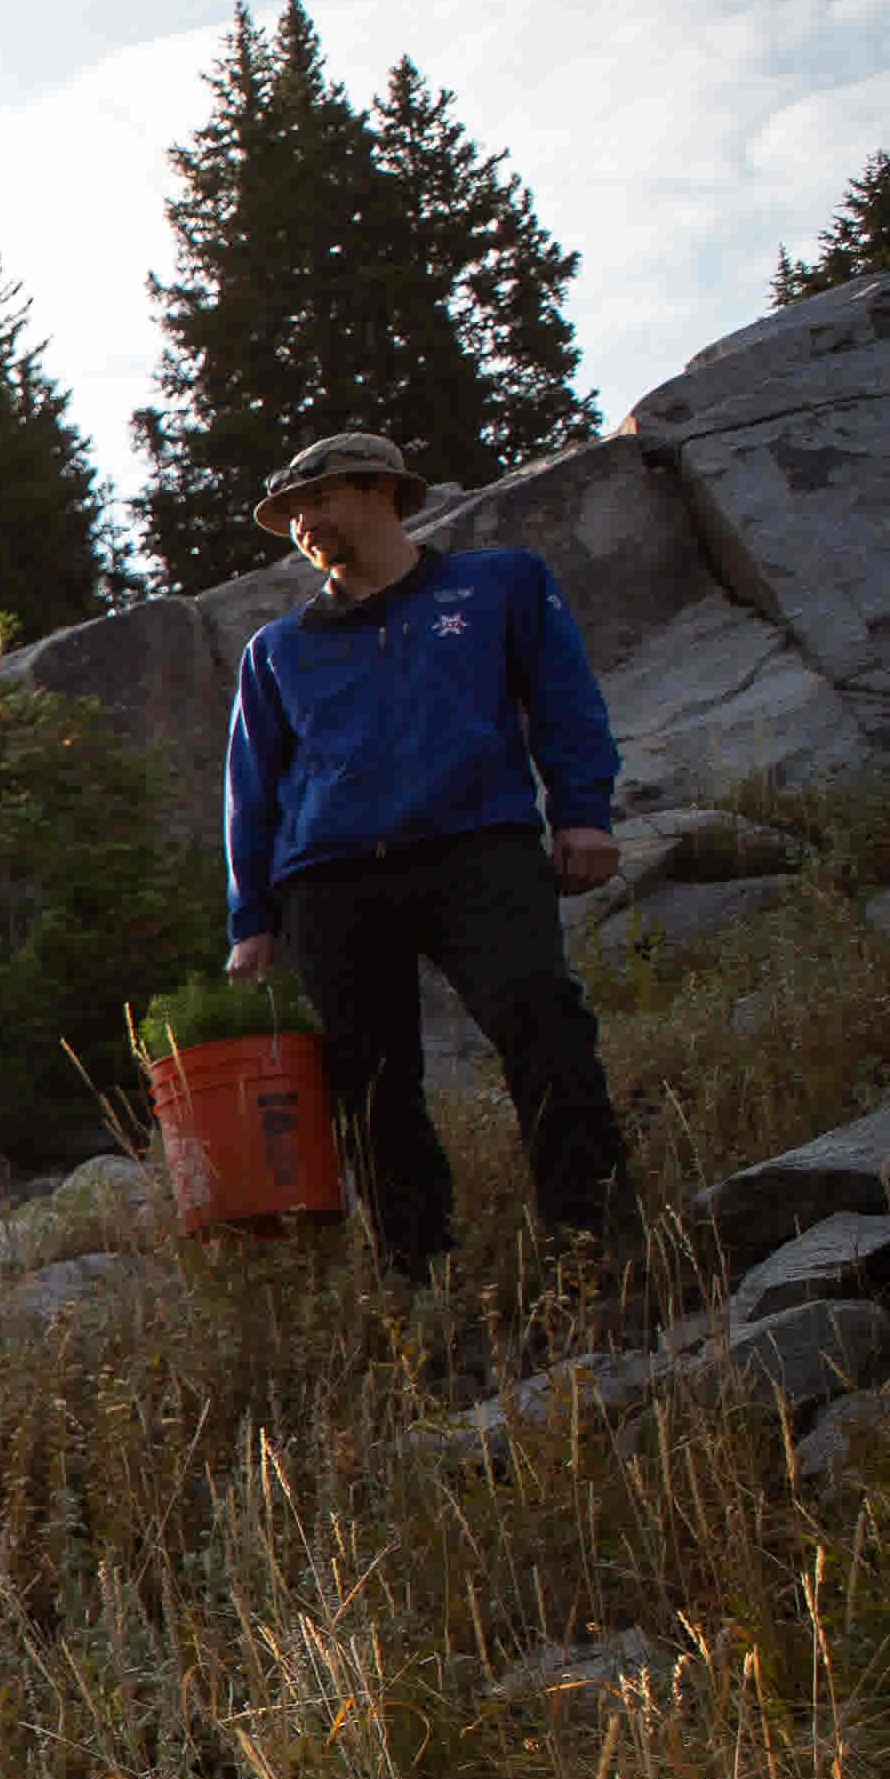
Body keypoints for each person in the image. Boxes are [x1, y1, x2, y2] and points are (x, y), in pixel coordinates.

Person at [220, 430, 629, 1271]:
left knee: (542, 1024)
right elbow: (250, 790)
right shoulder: (276, 649)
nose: (302, 523)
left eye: (318, 500)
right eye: (289, 513)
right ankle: (419, 1270)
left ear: (380, 491)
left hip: (477, 848)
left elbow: (565, 703)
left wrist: (581, 814)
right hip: (327, 883)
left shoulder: (498, 584)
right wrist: (250, 918)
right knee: (368, 1084)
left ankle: (593, 1236)